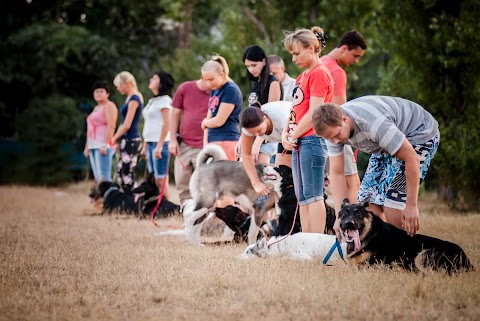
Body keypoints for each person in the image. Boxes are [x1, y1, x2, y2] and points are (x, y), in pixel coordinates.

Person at [312, 96, 440, 237]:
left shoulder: (373, 124)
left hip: (418, 134)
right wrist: (339, 216)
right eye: (330, 139)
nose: (335, 142)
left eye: (337, 135)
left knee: (392, 201)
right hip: (384, 143)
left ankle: (401, 251)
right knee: (367, 201)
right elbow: (336, 173)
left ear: (344, 119)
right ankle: (383, 249)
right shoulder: (332, 132)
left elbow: (411, 158)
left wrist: (411, 205)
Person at [282, 26, 333, 233]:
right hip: (299, 141)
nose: (293, 59)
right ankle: (305, 240)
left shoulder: (319, 73)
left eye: (296, 53)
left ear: (311, 48)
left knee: (313, 195)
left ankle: (316, 242)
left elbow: (314, 113)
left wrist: (294, 134)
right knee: (302, 198)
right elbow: (295, 109)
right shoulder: (304, 75)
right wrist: (286, 132)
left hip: (312, 140)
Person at [320, 30, 367, 204]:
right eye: (355, 55)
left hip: (317, 134)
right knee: (351, 183)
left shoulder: (319, 63)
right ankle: (352, 225)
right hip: (335, 135)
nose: (356, 61)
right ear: (344, 48)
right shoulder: (337, 71)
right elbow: (340, 113)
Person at [168, 78, 210, 204]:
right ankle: (186, 214)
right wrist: (172, 139)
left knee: (204, 184)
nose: (209, 84)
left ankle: (204, 216)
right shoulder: (185, 88)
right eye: (207, 79)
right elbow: (174, 113)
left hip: (204, 145)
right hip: (184, 144)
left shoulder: (219, 91)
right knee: (181, 183)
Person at [240, 101, 292, 196]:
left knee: (299, 182)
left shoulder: (281, 117)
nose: (256, 135)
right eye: (253, 133)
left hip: (303, 134)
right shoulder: (249, 126)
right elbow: (246, 155)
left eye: (258, 130)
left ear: (265, 118)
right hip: (283, 140)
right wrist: (256, 183)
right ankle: (281, 210)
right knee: (280, 183)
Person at [242, 45, 283, 164]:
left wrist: (257, 143)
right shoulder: (256, 84)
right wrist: (242, 140)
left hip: (266, 139)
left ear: (264, 61)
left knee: (263, 176)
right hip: (253, 135)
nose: (251, 69)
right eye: (248, 66)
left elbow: (270, 115)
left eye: (254, 65)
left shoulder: (273, 82)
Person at [200, 55, 243, 161]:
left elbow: (219, 120)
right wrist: (205, 141)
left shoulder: (231, 90)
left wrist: (205, 123)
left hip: (227, 139)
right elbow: (209, 116)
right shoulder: (215, 89)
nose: (208, 83)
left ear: (222, 74)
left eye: (211, 79)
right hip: (213, 140)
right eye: (205, 80)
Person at [140, 71, 175, 200]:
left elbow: (167, 123)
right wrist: (145, 145)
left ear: (161, 83)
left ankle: (168, 206)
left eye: (154, 78)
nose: (151, 80)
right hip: (150, 143)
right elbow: (148, 124)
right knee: (154, 178)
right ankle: (158, 205)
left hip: (160, 144)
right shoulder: (152, 101)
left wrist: (159, 145)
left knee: (161, 179)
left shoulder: (165, 100)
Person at [111, 71, 144, 194]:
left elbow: (127, 124)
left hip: (131, 139)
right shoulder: (129, 98)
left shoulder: (135, 98)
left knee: (127, 172)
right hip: (125, 139)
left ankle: (132, 199)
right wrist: (119, 139)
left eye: (119, 85)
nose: (118, 88)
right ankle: (126, 198)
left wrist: (114, 138)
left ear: (128, 83)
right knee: (121, 171)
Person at [84, 81, 118, 184]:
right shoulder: (96, 108)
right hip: (93, 145)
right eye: (96, 91)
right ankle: (102, 200)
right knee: (98, 177)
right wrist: (87, 146)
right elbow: (89, 129)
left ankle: (110, 199)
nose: (98, 94)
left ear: (107, 94)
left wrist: (105, 144)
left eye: (101, 91)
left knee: (104, 177)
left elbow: (111, 125)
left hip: (103, 145)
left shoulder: (109, 106)